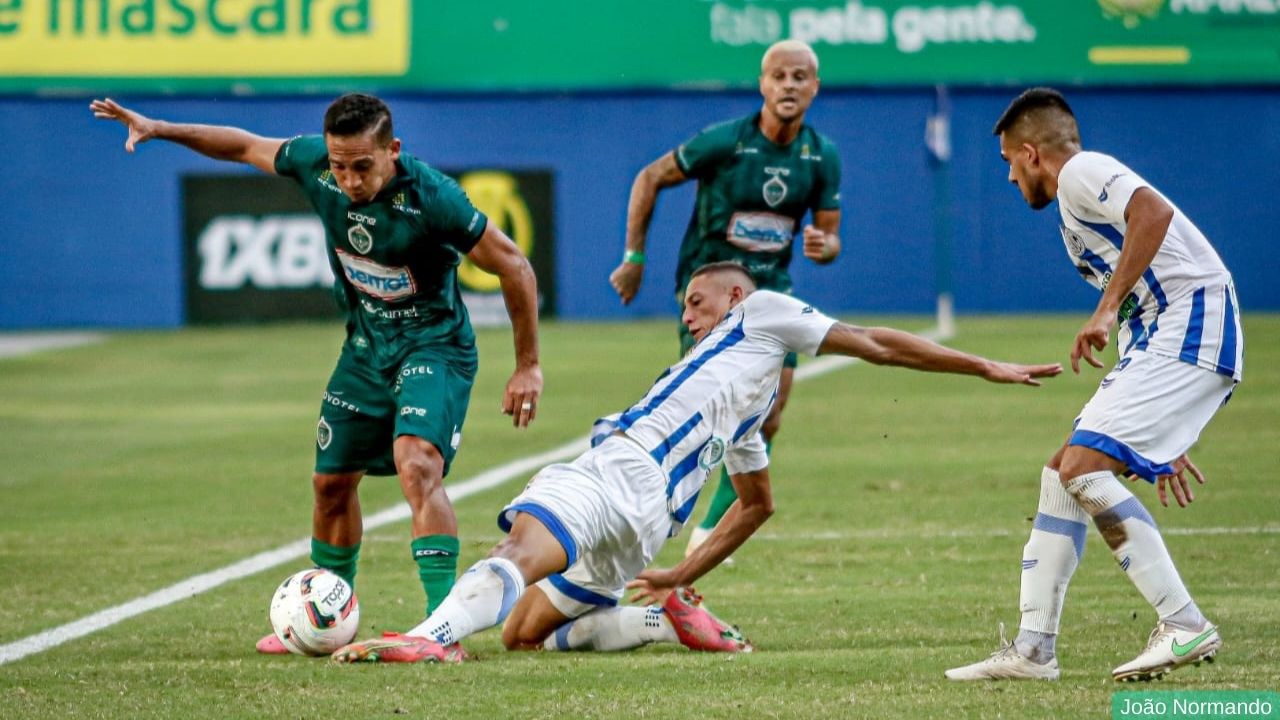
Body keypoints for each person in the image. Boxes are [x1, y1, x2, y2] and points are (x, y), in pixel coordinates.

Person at [328, 261, 1061, 663]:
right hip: (646, 530)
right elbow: (756, 502)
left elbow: (875, 342)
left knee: (518, 547)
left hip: (621, 469)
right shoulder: (744, 397)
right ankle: (658, 620)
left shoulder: (762, 310)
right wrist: (681, 573)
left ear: (736, 296)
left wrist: (981, 366)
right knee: (523, 633)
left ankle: (428, 639)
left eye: (695, 300)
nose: (687, 314)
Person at [90, 94, 544, 654]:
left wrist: (527, 366)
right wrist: (157, 126)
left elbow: (513, 264)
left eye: (362, 166)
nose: (349, 179)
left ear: (392, 151)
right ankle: (331, 612)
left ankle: (438, 629)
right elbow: (242, 145)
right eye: (338, 165)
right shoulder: (315, 166)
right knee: (330, 484)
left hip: (434, 346)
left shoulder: (433, 198)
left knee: (417, 463)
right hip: (365, 348)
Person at [945, 88, 1243, 683]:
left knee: (1082, 468)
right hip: (1166, 334)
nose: (1008, 177)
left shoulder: (1083, 170)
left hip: (1193, 322)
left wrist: (1103, 311)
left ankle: (1184, 623)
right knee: (1062, 472)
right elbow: (1143, 301)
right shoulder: (1072, 213)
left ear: (1031, 153)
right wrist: (1164, 429)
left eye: (1008, 161)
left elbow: (1151, 214)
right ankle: (1034, 650)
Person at [609, 39, 842, 562]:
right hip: (713, 298)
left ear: (814, 87)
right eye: (778, 76)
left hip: (772, 297)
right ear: (762, 84)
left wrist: (824, 246)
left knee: (771, 413)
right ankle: (647, 518)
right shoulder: (727, 143)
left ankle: (708, 534)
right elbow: (651, 176)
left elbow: (830, 238)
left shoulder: (820, 156)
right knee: (706, 415)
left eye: (799, 77)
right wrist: (634, 258)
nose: (788, 85)